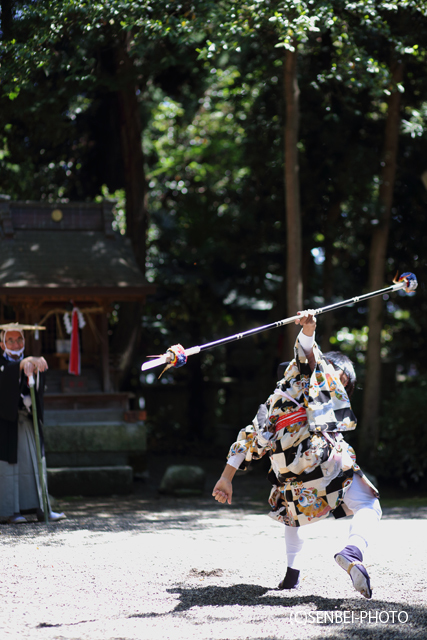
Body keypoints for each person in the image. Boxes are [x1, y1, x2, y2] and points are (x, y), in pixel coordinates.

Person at [212, 310, 381, 599]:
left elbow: (246, 440)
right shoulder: (313, 376)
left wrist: (226, 478)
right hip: (323, 460)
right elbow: (307, 354)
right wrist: (309, 329)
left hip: (290, 480)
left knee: (292, 516)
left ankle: (292, 575)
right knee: (368, 503)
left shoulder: (271, 405)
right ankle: (352, 553)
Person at [0, 323, 65, 524]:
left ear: (24, 341)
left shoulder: (31, 361)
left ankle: (41, 508)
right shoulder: (3, 363)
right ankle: (9, 511)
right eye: (10, 340)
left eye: (19, 339)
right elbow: (5, 376)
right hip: (6, 425)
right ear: (2, 344)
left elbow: (38, 386)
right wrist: (20, 366)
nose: (15, 343)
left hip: (27, 421)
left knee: (35, 464)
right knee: (9, 469)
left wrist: (36, 370)